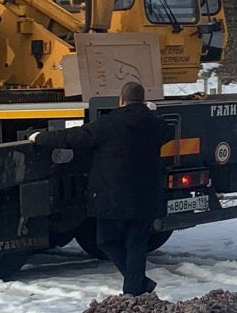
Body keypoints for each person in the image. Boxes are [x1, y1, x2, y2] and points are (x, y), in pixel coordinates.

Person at [31, 81, 174, 296]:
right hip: (145, 195)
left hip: (113, 197)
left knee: (106, 240)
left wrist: (40, 138)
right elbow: (167, 131)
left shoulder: (108, 124)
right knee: (136, 244)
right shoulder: (155, 125)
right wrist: (153, 114)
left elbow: (72, 138)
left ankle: (136, 287)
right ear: (144, 101)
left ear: (121, 100)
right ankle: (135, 288)